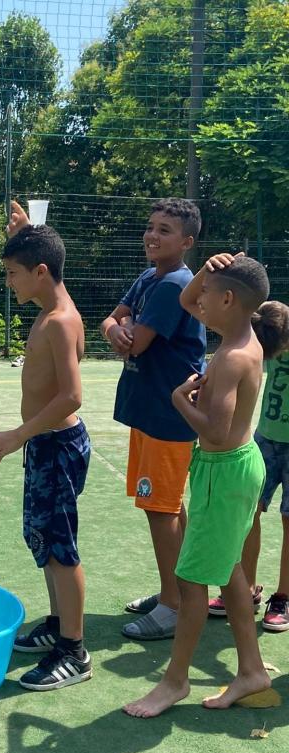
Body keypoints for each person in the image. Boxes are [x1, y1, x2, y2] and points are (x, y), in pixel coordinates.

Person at [124, 253, 289, 718]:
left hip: (225, 470)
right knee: (229, 568)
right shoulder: (239, 338)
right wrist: (205, 273)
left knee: (191, 578)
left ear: (229, 300)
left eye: (210, 294)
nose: (200, 301)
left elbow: (214, 432)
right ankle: (251, 670)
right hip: (232, 469)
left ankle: (174, 682)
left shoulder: (233, 357)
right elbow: (186, 299)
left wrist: (180, 400)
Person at [0, 220, 92, 691]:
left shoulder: (60, 321)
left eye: (13, 273)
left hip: (56, 446)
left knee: (61, 548)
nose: (9, 282)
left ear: (41, 271)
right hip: (47, 445)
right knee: (46, 541)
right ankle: (57, 623)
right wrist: (26, 229)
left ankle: (74, 651)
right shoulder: (51, 309)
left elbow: (71, 396)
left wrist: (19, 435)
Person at [100, 198, 207, 640]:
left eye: (165, 230)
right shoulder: (149, 276)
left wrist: (121, 331)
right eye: (151, 227)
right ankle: (176, 591)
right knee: (166, 506)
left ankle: (174, 605)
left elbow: (136, 342)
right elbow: (113, 320)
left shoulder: (174, 284)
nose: (152, 236)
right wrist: (115, 328)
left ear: (187, 242)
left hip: (168, 417)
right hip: (150, 414)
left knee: (160, 510)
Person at [208, 303, 289, 631]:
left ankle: (283, 597)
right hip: (266, 439)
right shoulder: (272, 328)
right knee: (248, 513)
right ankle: (246, 589)